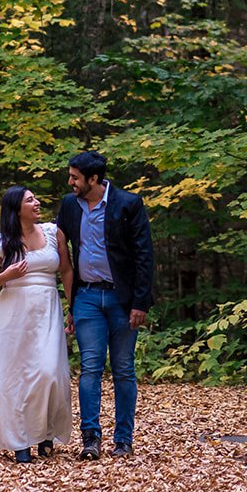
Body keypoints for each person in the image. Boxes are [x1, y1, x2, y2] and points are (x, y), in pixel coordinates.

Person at [55, 150, 154, 460]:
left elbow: (144, 255)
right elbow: (59, 249)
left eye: (75, 177)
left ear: (93, 179)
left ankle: (123, 440)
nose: (70, 182)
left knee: (123, 369)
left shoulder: (128, 204)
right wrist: (71, 303)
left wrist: (140, 302)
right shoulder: (69, 205)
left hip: (121, 299)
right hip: (86, 297)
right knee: (90, 367)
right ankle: (90, 439)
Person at [0, 185, 73, 463]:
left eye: (35, 198)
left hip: (47, 309)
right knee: (16, 377)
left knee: (49, 372)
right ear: (16, 209)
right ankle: (19, 441)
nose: (37, 203)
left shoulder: (54, 233)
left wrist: (73, 308)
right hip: (14, 315)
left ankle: (45, 433)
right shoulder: (0, 242)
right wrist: (4, 275)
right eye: (30, 200)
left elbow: (67, 270)